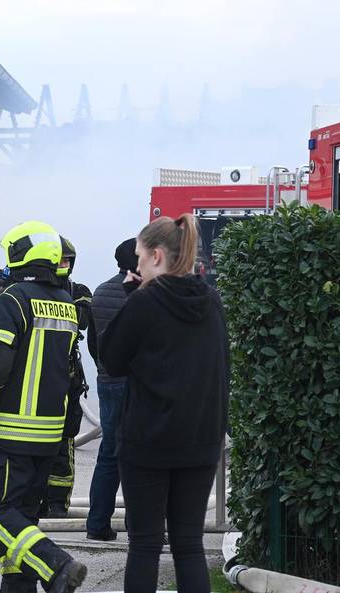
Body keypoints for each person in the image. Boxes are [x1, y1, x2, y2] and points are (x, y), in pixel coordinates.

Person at [0, 221, 87, 593]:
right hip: (48, 435)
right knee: (23, 520)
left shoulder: (10, 300)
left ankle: (56, 566)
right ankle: (18, 588)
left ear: (20, 255)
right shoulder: (65, 303)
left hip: (10, 434)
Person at [99, 215, 229, 593]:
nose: (134, 266)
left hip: (148, 441)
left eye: (138, 257)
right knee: (189, 546)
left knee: (145, 545)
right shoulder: (211, 300)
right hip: (202, 440)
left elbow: (112, 359)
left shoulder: (144, 303)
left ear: (156, 255)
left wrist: (132, 297)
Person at [85, 237, 138, 541]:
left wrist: (106, 368)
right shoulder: (147, 292)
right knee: (142, 456)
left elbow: (94, 344)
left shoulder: (101, 291)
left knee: (109, 453)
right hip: (139, 383)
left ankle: (97, 525)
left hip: (108, 381)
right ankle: (139, 525)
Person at [40, 236, 95, 519]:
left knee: (64, 444)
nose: (62, 265)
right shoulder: (28, 289)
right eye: (57, 260)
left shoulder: (78, 291)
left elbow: (82, 320)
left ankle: (58, 503)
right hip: (36, 379)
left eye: (66, 261)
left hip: (67, 378)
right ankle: (36, 499)